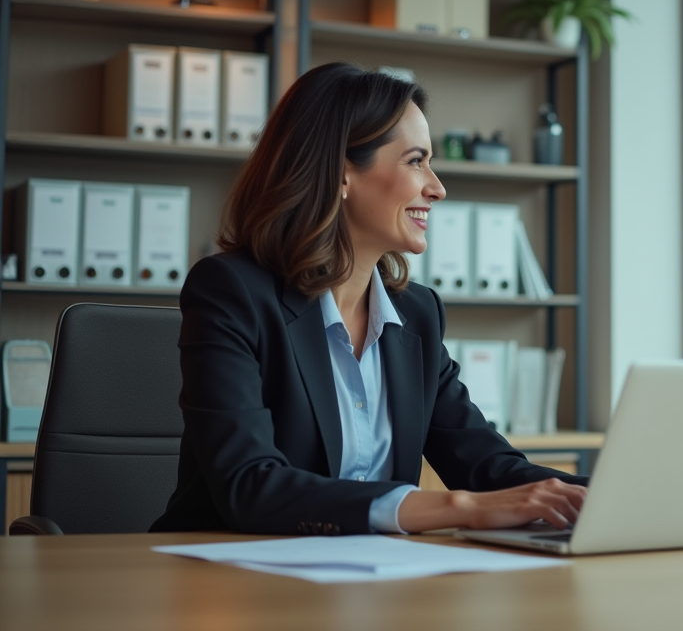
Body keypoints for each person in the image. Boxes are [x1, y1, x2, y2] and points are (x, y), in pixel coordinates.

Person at [152, 62, 586, 536]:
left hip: (372, 583)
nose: (437, 188)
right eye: (416, 161)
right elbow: (249, 486)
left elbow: (488, 466)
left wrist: (606, 496)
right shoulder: (232, 292)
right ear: (342, 173)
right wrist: (460, 507)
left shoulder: (416, 314)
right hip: (231, 583)